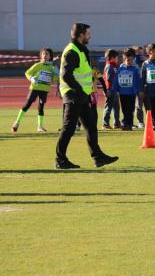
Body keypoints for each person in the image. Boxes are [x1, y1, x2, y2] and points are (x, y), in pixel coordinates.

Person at [55, 23, 118, 169]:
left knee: (91, 126)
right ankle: (60, 160)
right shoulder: (72, 51)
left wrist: (86, 93)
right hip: (73, 95)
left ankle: (98, 157)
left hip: (82, 95)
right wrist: (79, 90)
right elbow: (66, 76)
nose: (90, 36)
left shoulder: (81, 50)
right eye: (88, 34)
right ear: (81, 35)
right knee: (68, 129)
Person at [12, 48, 59, 133]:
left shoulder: (52, 67)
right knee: (27, 105)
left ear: (50, 56)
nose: (45, 56)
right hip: (34, 88)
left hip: (44, 90)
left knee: (41, 107)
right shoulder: (37, 65)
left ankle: (40, 126)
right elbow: (27, 73)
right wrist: (31, 78)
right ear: (41, 55)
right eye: (43, 54)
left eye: (47, 54)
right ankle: (16, 122)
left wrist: (56, 74)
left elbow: (53, 80)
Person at [111, 48, 142, 131]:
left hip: (131, 93)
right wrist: (114, 90)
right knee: (124, 109)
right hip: (122, 93)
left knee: (131, 109)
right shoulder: (120, 69)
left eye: (131, 59)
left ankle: (129, 124)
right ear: (124, 58)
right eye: (127, 59)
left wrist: (137, 91)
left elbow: (136, 81)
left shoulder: (134, 70)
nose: (129, 60)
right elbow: (116, 80)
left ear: (133, 59)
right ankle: (126, 124)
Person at [102, 49, 121, 130]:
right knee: (108, 107)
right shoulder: (109, 66)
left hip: (114, 90)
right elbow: (109, 79)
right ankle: (105, 124)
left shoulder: (114, 66)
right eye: (117, 57)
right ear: (112, 58)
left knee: (116, 107)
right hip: (110, 90)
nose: (118, 59)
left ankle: (116, 123)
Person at [133, 45, 146, 129]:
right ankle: (140, 122)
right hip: (137, 87)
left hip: (146, 86)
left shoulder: (145, 62)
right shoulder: (134, 62)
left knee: (148, 105)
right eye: (138, 52)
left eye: (141, 52)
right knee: (139, 105)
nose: (140, 54)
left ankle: (152, 121)